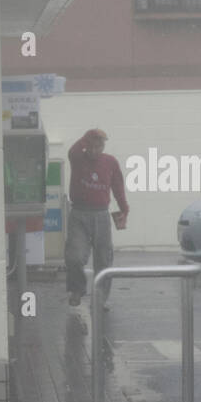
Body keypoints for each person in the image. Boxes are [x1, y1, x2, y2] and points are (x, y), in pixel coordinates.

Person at [65, 128, 129, 307]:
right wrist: (88, 135)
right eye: (91, 147)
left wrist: (124, 209)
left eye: (98, 147)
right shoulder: (78, 158)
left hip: (101, 214)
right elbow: (73, 151)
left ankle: (100, 299)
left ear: (103, 147)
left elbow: (118, 188)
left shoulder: (110, 162)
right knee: (75, 257)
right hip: (79, 213)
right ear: (86, 145)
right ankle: (77, 290)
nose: (94, 151)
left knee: (104, 259)